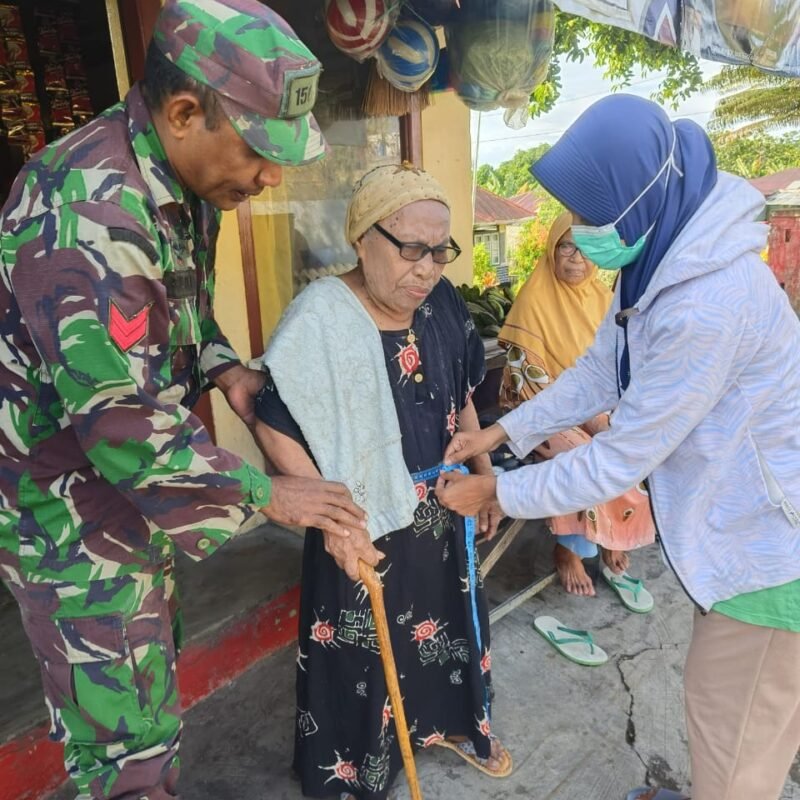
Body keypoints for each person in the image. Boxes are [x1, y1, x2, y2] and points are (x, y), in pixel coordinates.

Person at [0, 2, 369, 798]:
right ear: (184, 112)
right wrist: (271, 494)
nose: (273, 177)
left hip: (135, 505)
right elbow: (121, 420)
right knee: (126, 753)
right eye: (262, 152)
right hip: (71, 520)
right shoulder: (86, 212)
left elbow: (174, 318)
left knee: (148, 709)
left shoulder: (186, 181)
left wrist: (226, 369)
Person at [435, 94, 800, 800]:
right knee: (725, 712)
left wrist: (497, 490)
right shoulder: (665, 256)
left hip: (768, 553)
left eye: (594, 219)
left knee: (736, 735)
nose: (584, 235)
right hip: (728, 532)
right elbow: (600, 371)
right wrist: (501, 433)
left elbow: (619, 459)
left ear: (636, 202)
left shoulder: (707, 303)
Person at [253, 163, 512, 800]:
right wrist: (334, 519)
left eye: (440, 250)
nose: (427, 267)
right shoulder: (320, 316)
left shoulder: (443, 299)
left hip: (446, 507)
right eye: (411, 249)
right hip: (361, 520)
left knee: (449, 625)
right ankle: (357, 770)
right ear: (363, 239)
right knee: (364, 651)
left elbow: (462, 393)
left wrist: (486, 479)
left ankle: (452, 725)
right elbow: (272, 414)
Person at [498, 211, 654, 597]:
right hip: (534, 411)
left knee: (626, 442)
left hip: (592, 406)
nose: (575, 258)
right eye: (566, 246)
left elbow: (618, 369)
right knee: (585, 457)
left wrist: (607, 417)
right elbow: (528, 385)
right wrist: (593, 418)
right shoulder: (535, 299)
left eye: (585, 249)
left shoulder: (604, 299)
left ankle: (610, 536)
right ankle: (573, 550)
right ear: (552, 249)